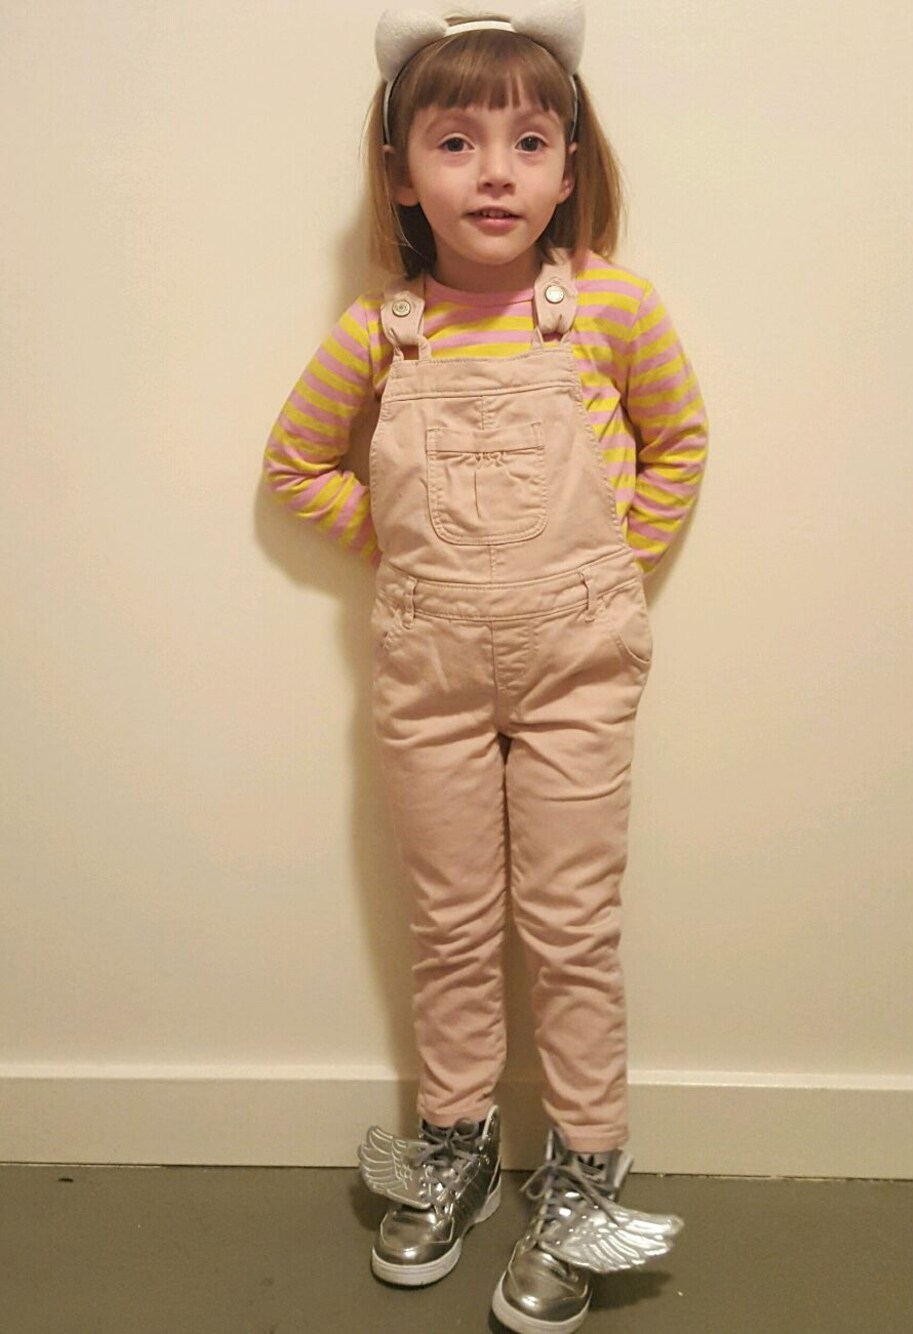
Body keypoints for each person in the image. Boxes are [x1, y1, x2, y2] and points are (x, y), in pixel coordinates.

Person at [263, 2, 707, 1329]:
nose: (495, 172)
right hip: (431, 669)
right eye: (455, 141)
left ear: (571, 165)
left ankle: (584, 1171)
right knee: (451, 922)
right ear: (403, 174)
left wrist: (616, 562)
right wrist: (401, 546)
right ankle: (453, 1141)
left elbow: (680, 440)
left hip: (580, 664)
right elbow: (296, 465)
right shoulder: (382, 329)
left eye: (528, 141)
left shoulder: (611, 307)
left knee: (571, 927)